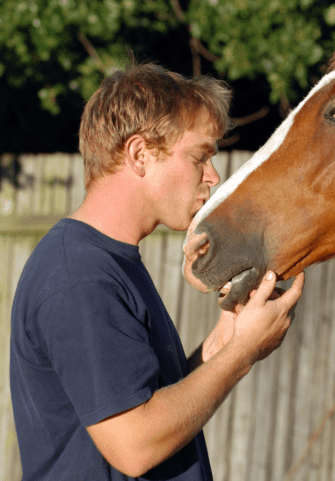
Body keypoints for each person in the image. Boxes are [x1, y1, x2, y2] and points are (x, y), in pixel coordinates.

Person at [9, 63, 304, 480]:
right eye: (200, 156)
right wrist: (242, 354)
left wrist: (226, 340)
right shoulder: (79, 277)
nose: (213, 176)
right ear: (139, 155)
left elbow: (151, 404)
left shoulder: (108, 263)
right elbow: (135, 446)